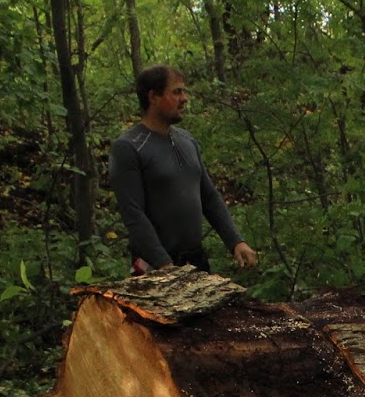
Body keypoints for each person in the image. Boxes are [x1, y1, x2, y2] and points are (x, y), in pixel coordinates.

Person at [110, 65, 258, 274]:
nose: (185, 98)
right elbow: (133, 215)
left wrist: (236, 241)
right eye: (176, 92)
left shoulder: (187, 140)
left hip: (195, 261)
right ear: (153, 96)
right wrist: (165, 265)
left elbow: (209, 197)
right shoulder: (128, 147)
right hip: (153, 266)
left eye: (184, 91)